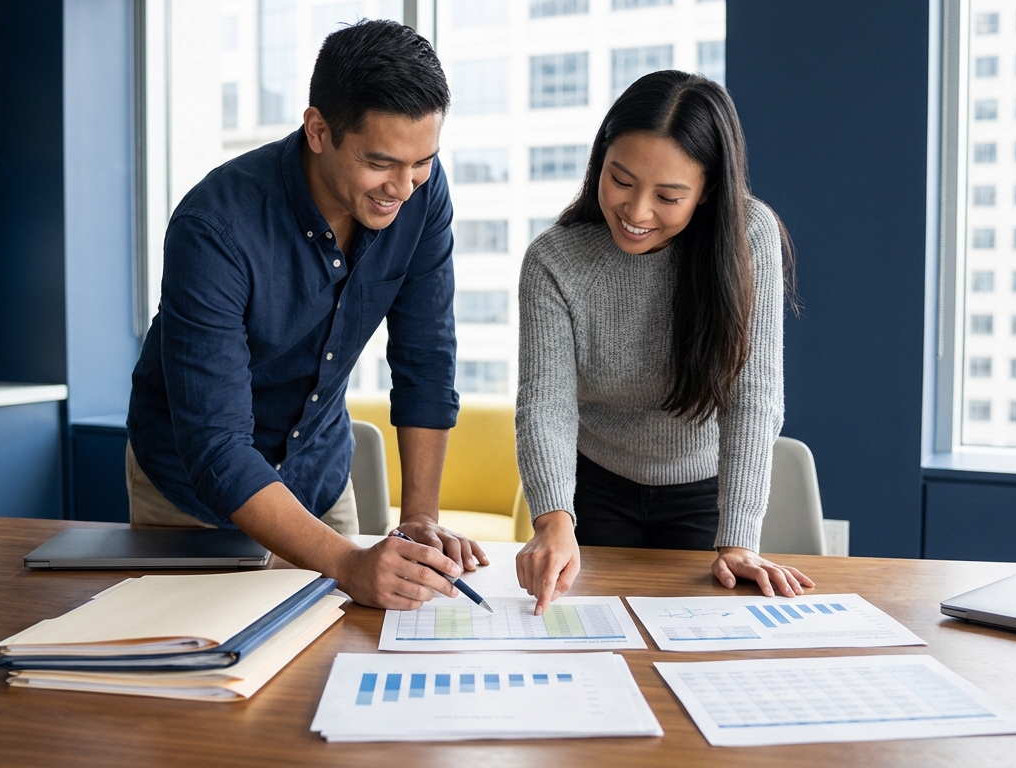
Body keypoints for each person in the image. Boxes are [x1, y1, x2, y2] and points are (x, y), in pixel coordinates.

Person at [127, 20, 486, 610]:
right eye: (381, 163)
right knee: (205, 674)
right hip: (191, 497)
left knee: (337, 665)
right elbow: (217, 447)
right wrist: (348, 561)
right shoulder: (213, 228)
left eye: (422, 161)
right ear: (318, 130)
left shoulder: (421, 193)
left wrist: (420, 519)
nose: (403, 187)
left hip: (318, 477)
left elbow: (426, 360)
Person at [514, 70, 815, 615]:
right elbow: (545, 404)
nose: (636, 212)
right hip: (594, 488)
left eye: (669, 196)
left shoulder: (750, 237)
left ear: (708, 193)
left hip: (705, 490)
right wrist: (553, 518)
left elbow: (754, 395)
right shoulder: (554, 261)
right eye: (621, 180)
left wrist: (740, 537)